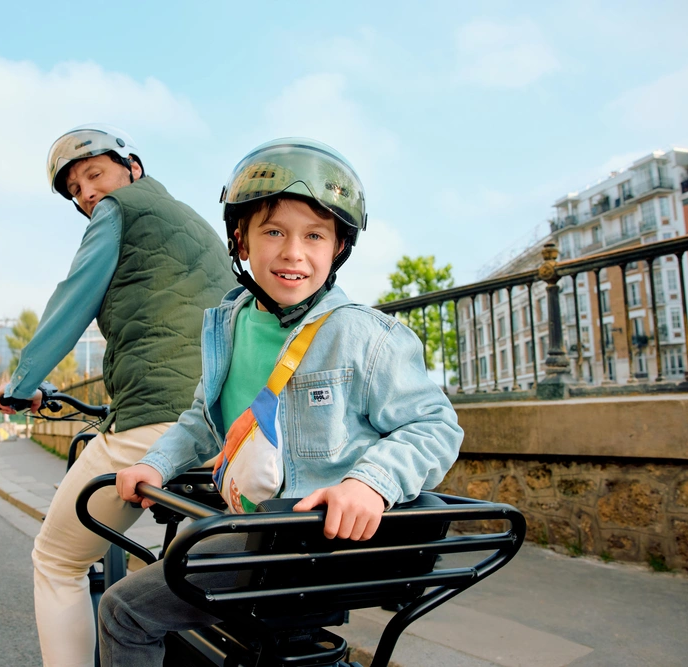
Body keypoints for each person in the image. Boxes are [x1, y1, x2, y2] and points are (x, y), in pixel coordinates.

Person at [99, 138, 464, 666]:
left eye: (314, 235)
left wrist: (369, 484)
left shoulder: (363, 335)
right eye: (273, 232)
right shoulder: (228, 326)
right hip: (247, 527)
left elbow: (435, 425)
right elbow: (202, 420)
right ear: (241, 242)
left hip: (304, 540)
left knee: (124, 612)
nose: (294, 252)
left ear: (338, 248)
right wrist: (154, 464)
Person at [0, 124, 236, 667]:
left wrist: (21, 387)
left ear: (132, 167)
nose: (87, 193)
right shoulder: (189, 221)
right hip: (226, 425)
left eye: (94, 174)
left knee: (56, 560)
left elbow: (72, 301)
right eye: (75, 189)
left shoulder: (119, 210)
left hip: (158, 419)